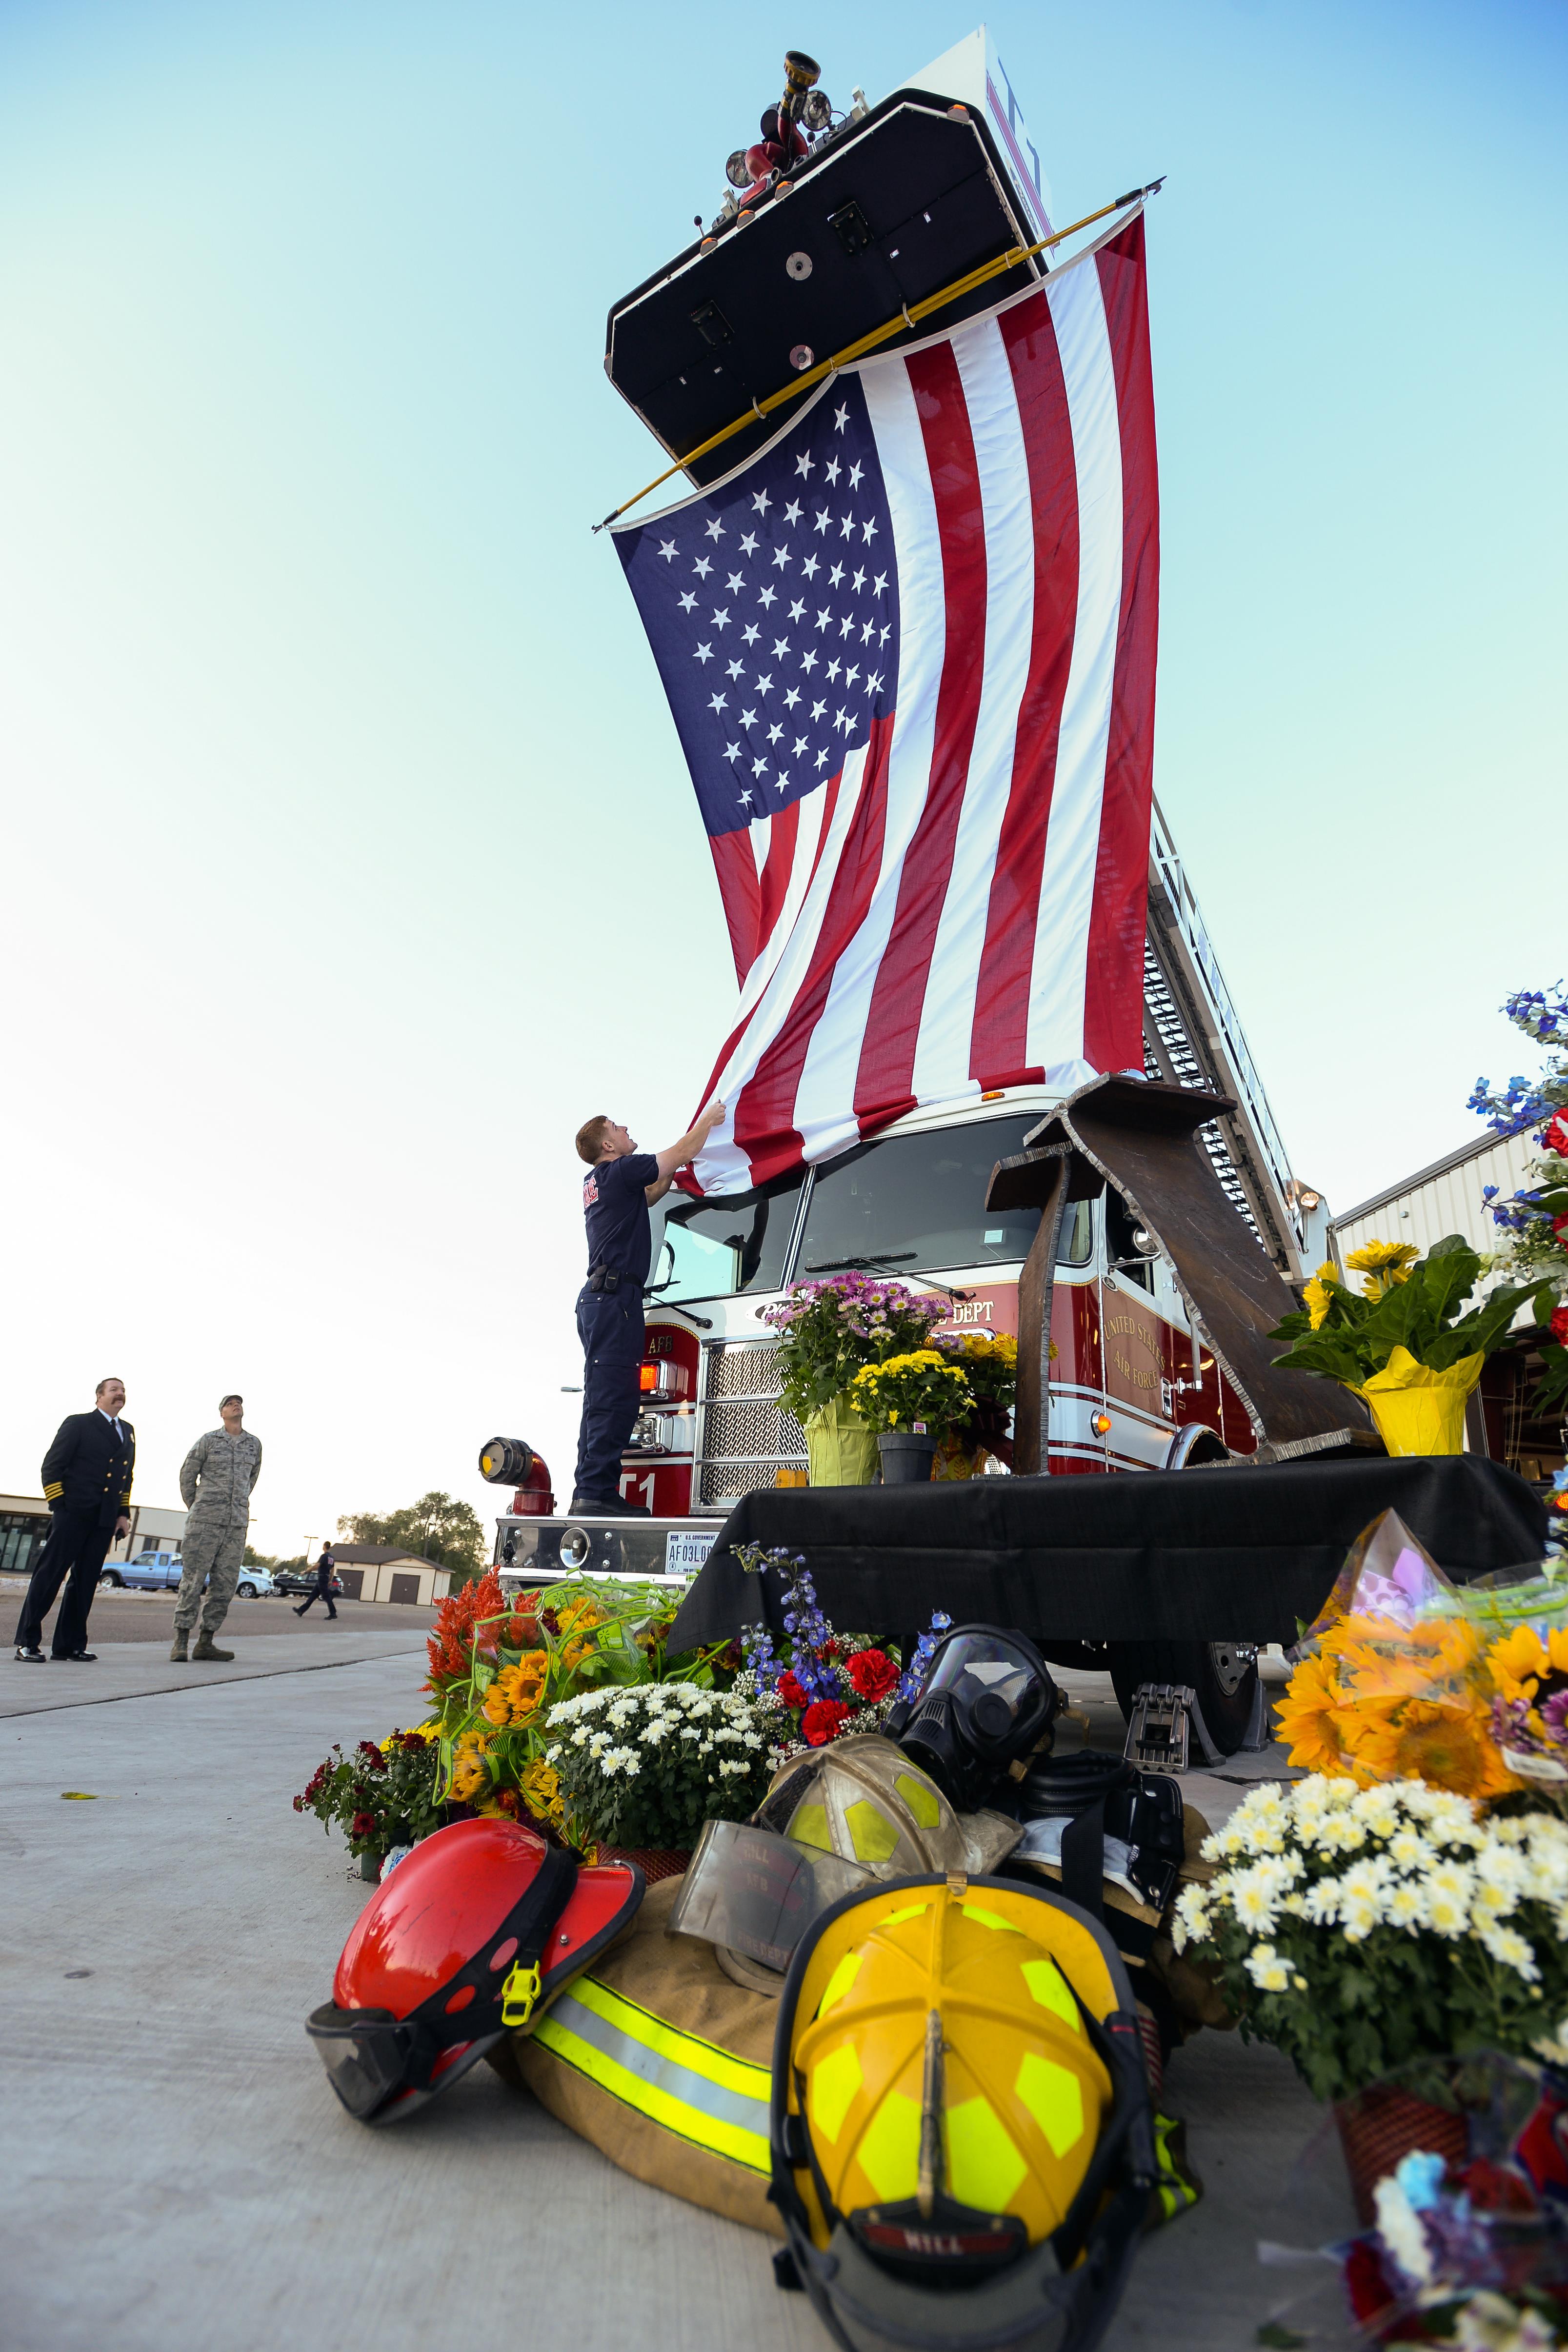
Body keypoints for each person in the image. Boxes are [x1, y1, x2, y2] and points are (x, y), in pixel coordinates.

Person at [570, 1102, 724, 1515]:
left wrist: (674, 1163)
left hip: (606, 1299)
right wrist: (708, 1120)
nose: (626, 1128)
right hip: (614, 1299)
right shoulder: (619, 1170)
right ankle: (594, 1496)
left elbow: (654, 1191)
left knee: (611, 1398)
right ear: (608, 1143)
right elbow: (678, 1153)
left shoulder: (604, 1181)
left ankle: (593, 1491)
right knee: (612, 1400)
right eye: (617, 1127)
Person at [13, 1377, 135, 1664]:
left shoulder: (127, 1431)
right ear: (98, 1397)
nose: (120, 1394)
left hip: (103, 1519)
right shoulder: (78, 1423)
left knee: (84, 1583)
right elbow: (52, 1466)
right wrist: (59, 1506)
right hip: (73, 1513)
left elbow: (125, 1477)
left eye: (123, 1391)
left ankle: (69, 1646)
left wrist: (122, 1514)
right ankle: (27, 1643)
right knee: (49, 1576)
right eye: (114, 1390)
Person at [170, 1394, 264, 1664]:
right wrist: (199, 1506)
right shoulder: (209, 1440)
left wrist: (235, 1507)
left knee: (224, 1586)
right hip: (204, 1523)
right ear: (222, 1413)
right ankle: (181, 1642)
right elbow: (187, 1475)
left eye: (239, 1403)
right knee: (193, 1582)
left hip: (235, 1525)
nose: (236, 1406)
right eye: (229, 1404)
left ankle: (206, 1643)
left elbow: (251, 1479)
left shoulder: (254, 1445)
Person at [295, 1543, 338, 1619]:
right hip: (324, 1579)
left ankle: (333, 1613)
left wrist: (306, 1572)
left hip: (322, 1578)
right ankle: (301, 1611)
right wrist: (330, 1580)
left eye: (323, 1546)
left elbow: (317, 1566)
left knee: (327, 1597)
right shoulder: (331, 1558)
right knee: (313, 1596)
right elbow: (332, 1570)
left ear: (325, 1546)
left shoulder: (324, 1556)